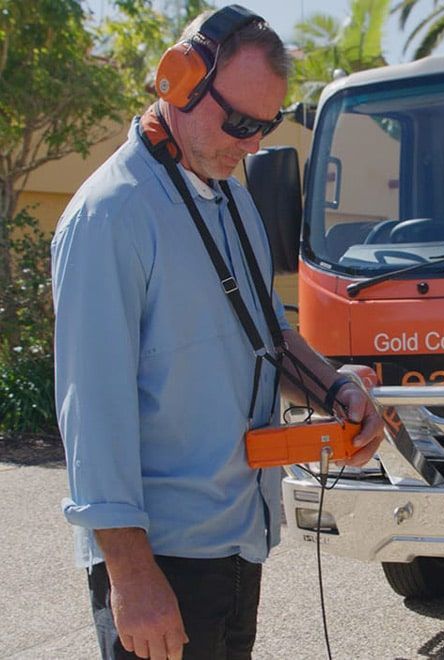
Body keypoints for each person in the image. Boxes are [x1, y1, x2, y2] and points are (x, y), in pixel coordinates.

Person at [50, 6, 384, 659]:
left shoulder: (233, 195)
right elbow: (91, 413)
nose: (253, 143)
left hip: (236, 548)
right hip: (160, 563)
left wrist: (335, 390)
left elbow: (265, 331)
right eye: (239, 122)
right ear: (180, 82)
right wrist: (131, 575)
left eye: (266, 125)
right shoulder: (111, 215)